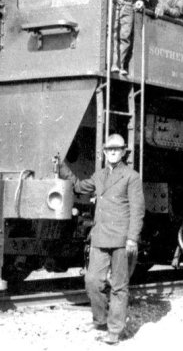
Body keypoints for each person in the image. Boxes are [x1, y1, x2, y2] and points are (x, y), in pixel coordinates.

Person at [60, 133, 145, 345]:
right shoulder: (99, 176)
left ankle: (115, 329)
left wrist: (132, 239)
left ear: (124, 151)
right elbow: (79, 187)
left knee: (119, 285)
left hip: (121, 239)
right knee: (92, 281)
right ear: (105, 152)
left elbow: (138, 211)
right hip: (99, 237)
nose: (113, 152)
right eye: (109, 149)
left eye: (117, 149)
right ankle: (100, 319)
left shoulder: (131, 177)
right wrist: (62, 169)